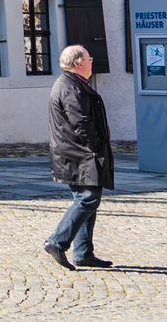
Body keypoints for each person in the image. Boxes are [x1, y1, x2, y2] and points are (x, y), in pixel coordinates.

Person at [43, 43, 114, 270]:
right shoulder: (70, 87)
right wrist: (96, 146)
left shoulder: (72, 84)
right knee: (88, 199)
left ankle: (83, 252)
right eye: (89, 58)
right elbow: (81, 121)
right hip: (79, 154)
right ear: (79, 63)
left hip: (75, 153)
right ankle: (57, 241)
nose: (92, 61)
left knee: (85, 200)